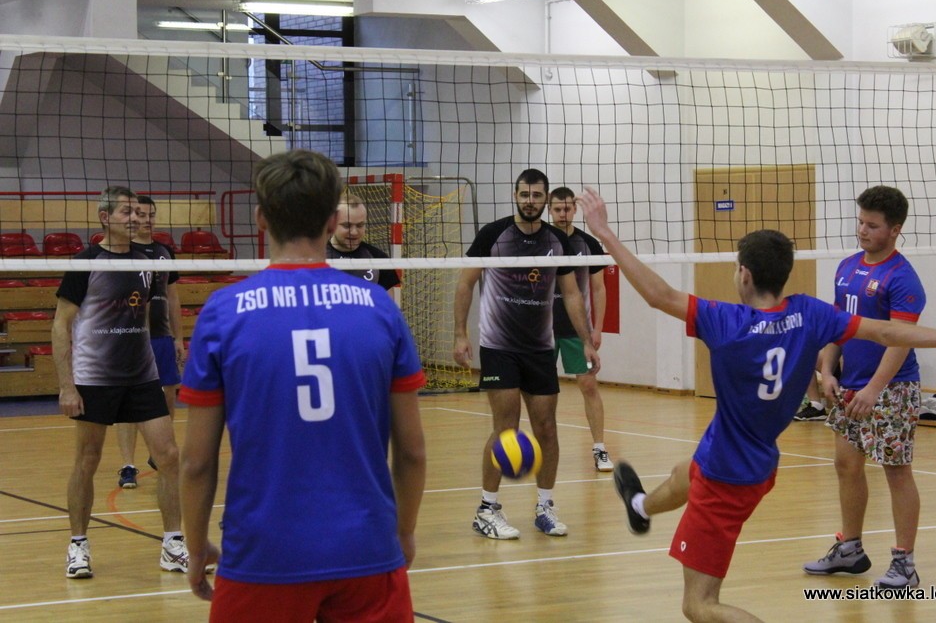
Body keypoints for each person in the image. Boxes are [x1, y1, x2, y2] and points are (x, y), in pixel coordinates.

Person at [575, 187, 936, 623]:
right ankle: (640, 507)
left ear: (744, 275)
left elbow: (659, 295)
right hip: (755, 463)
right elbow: (887, 332)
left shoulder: (727, 322)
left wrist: (605, 234)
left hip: (725, 477)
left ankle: (646, 511)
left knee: (699, 605)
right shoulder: (810, 315)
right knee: (683, 472)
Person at [179, 149, 427, 622]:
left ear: (261, 219)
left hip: (263, 553)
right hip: (366, 548)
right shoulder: (379, 307)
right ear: (332, 221)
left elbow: (195, 462)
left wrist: (194, 547)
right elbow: (412, 451)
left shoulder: (223, 312)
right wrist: (404, 532)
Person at [53, 186, 193, 578]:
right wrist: (67, 385)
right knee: (88, 459)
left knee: (169, 456)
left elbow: (143, 313)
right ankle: (78, 546)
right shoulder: (86, 262)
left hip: (141, 375)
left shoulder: (147, 261)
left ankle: (173, 544)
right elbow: (61, 324)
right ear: (105, 217)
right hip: (95, 377)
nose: (134, 218)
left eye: (137, 212)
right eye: (126, 212)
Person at [453, 168, 600, 540]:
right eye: (524, 195)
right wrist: (460, 334)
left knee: (546, 428)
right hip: (499, 346)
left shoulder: (557, 241)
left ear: (545, 199)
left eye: (536, 196)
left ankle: (545, 507)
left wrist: (586, 340)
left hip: (539, 348)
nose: (530, 201)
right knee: (506, 428)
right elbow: (466, 284)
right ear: (515, 195)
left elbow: (572, 294)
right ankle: (487, 509)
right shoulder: (493, 234)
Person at [803, 185, 929, 589]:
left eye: (872, 225)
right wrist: (827, 370)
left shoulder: (902, 278)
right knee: (846, 465)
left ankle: (904, 563)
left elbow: (900, 340)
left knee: (896, 471)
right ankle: (850, 549)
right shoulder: (846, 268)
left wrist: (874, 389)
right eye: (860, 222)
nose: (862, 230)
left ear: (895, 229)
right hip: (850, 386)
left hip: (891, 388)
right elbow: (839, 327)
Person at [116, 195, 186, 488]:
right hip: (130, 338)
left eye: (151, 215)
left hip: (161, 336)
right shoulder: (122, 251)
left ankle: (159, 454)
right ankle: (127, 465)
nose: (146, 220)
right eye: (141, 214)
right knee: (128, 402)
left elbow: (172, 297)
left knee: (167, 397)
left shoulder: (163, 251)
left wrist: (178, 337)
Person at [548, 186, 614, 471]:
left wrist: (597, 329)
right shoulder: (539, 241)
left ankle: (600, 448)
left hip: (578, 331)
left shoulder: (588, 244)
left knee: (588, 386)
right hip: (542, 332)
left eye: (567, 209)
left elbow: (599, 289)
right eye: (557, 209)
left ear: (575, 209)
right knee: (543, 393)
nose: (563, 214)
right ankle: (545, 448)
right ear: (550, 210)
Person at [326, 188, 401, 295]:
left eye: (360, 225)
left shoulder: (379, 259)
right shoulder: (314, 257)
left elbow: (387, 304)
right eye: (347, 225)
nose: (354, 232)